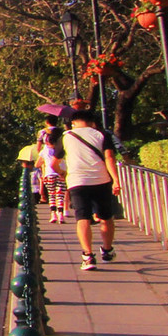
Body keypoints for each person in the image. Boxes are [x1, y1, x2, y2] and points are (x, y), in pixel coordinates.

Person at [63, 112, 120, 270]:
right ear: (92, 122)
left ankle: (87, 256)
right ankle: (107, 251)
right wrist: (115, 180)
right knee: (106, 217)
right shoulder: (102, 134)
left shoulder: (66, 136)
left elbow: (55, 162)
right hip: (101, 180)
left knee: (82, 218)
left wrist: (64, 175)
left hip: (77, 182)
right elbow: (109, 158)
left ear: (73, 122)